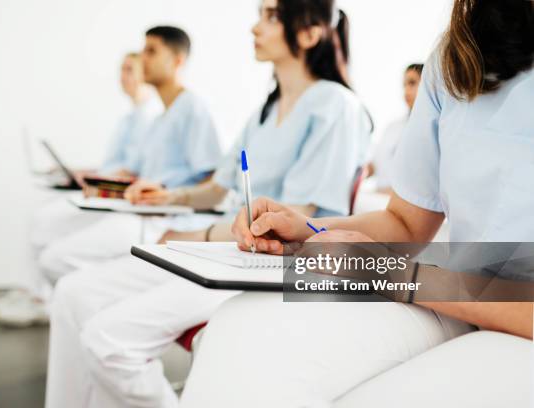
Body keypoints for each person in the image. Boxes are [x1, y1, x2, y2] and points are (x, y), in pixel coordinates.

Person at [180, 1, 534, 407]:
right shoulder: (461, 51)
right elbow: (405, 223)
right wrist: (311, 229)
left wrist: (391, 271)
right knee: (240, 331)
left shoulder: (332, 105)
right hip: (457, 296)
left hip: (498, 312)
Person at [45, 1, 373, 407]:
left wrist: (193, 233)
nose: (255, 28)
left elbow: (293, 218)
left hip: (274, 265)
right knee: (73, 292)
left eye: (270, 17)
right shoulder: (264, 111)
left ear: (309, 33)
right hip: (223, 249)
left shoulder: (335, 107)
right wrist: (170, 196)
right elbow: (218, 187)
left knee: (107, 339)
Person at [0, 51, 162, 326]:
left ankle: (40, 299)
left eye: (130, 69)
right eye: (121, 69)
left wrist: (99, 178)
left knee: (45, 223)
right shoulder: (129, 119)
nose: (123, 76)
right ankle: (31, 292)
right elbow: (116, 165)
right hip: (104, 189)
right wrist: (84, 172)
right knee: (39, 217)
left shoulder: (152, 117)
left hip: (122, 201)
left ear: (146, 72)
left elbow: (138, 171)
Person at [365, 63, 423, 193]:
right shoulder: (393, 127)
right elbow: (374, 164)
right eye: (404, 85)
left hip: (403, 205)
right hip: (378, 199)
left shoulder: (433, 130)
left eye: (412, 83)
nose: (406, 90)